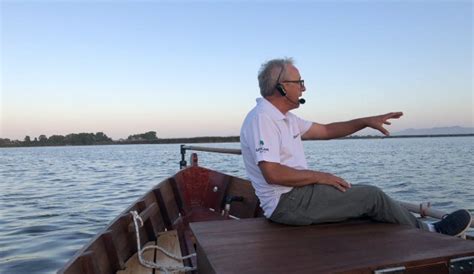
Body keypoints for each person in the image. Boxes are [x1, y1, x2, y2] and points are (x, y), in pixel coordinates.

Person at [240, 57, 471, 237]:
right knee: (372, 197)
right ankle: (431, 233)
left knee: (357, 196)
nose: (304, 88)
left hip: (297, 196)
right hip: (287, 203)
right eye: (299, 82)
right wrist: (321, 176)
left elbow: (327, 130)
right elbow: (272, 173)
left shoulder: (286, 118)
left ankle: (410, 231)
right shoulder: (264, 118)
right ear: (281, 87)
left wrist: (365, 122)